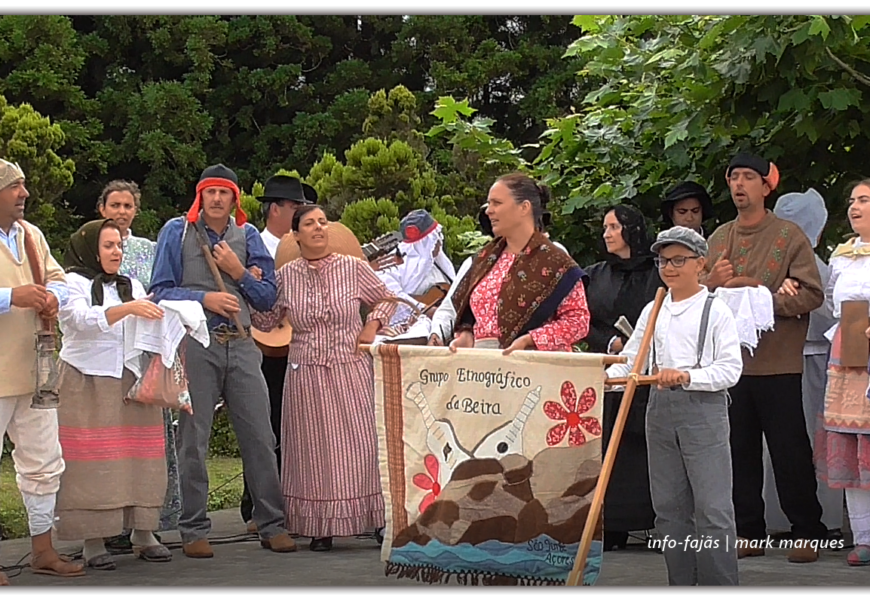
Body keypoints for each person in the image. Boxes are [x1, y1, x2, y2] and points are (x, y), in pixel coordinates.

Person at [149, 163, 296, 557]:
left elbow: (267, 296)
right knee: (193, 440)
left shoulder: (247, 235)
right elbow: (158, 291)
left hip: (244, 342)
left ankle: (272, 523)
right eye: (209, 191)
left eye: (224, 192)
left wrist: (237, 272)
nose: (216, 198)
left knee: (261, 436)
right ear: (200, 195)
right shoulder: (176, 231)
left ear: (235, 197)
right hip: (197, 343)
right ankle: (194, 529)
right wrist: (204, 298)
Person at [251, 204, 397, 551]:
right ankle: (319, 526)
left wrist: (371, 326)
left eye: (323, 223)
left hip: (350, 366)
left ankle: (376, 520)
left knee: (361, 444)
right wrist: (253, 288)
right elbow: (266, 322)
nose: (318, 228)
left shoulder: (353, 268)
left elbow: (388, 298)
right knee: (313, 450)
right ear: (296, 234)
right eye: (310, 224)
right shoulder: (286, 276)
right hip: (306, 372)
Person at [704, 151, 827, 562]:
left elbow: (811, 293)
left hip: (779, 362)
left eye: (747, 177)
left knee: (789, 449)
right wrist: (712, 281)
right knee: (737, 449)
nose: (739, 184)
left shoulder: (790, 236)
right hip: (731, 365)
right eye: (733, 177)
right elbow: (697, 295)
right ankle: (748, 531)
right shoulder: (718, 238)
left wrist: (763, 299)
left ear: (765, 185)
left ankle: (808, 531)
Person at [607, 226, 743, 585]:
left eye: (678, 260)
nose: (669, 268)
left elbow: (730, 369)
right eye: (663, 260)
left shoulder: (716, 309)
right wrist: (603, 375)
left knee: (712, 508)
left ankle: (720, 586)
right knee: (668, 509)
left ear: (701, 263)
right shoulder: (655, 308)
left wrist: (686, 376)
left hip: (703, 410)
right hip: (659, 411)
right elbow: (632, 361)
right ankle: (680, 583)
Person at [55, 219, 171, 570]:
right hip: (87, 379)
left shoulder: (131, 284)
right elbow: (78, 320)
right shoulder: (70, 282)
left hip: (129, 379)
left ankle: (143, 531)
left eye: (119, 245)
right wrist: (129, 308)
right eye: (108, 246)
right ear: (91, 248)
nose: (116, 251)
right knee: (94, 462)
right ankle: (93, 539)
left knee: (140, 457)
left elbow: (143, 321)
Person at [0, 159, 84, 583]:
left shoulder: (32, 236)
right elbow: (14, 294)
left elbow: (62, 281)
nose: (24, 194)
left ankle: (42, 550)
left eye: (24, 186)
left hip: (37, 369)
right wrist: (10, 296)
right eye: (15, 187)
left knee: (44, 461)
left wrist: (53, 297)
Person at [96, 179, 182, 546]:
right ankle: (108, 524)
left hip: (145, 351)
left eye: (127, 206)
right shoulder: (89, 244)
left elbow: (162, 289)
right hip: (104, 353)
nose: (121, 212)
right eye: (114, 205)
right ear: (102, 209)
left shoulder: (149, 249)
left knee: (147, 442)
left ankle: (147, 525)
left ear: (136, 210)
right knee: (109, 441)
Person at [764, 189, 843, 537]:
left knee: (793, 440)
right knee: (806, 439)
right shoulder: (821, 269)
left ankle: (783, 517)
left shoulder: (809, 268)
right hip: (801, 363)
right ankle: (819, 516)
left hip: (804, 361)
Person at [584, 204, 662, 550]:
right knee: (610, 449)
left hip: (650, 371)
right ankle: (612, 525)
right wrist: (610, 342)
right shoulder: (596, 274)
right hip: (609, 371)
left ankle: (652, 522)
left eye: (613, 226)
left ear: (631, 229)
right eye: (605, 227)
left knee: (643, 448)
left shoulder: (656, 272)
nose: (607, 233)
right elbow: (582, 318)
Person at [241, 174, 316, 534]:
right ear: (276, 209)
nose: (301, 214)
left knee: (298, 425)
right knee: (261, 424)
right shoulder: (252, 244)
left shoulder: (307, 247)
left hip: (297, 347)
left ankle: (292, 501)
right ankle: (256, 505)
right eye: (296, 208)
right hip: (260, 347)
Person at [449, 173, 590, 354]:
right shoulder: (486, 259)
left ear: (524, 207)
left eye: (496, 203)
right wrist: (465, 335)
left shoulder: (555, 261)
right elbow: (468, 317)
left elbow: (578, 321)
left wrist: (530, 339)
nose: (488, 210)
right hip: (482, 365)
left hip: (534, 365)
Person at [814, 179, 870, 567]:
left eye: (864, 200)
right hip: (848, 354)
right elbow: (835, 303)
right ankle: (864, 536)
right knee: (851, 446)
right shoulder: (842, 256)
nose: (855, 207)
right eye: (852, 201)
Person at [428, 202, 569, 346]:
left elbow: (573, 317)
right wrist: (437, 334)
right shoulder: (477, 263)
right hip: (485, 355)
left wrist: (530, 340)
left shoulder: (553, 254)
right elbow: (449, 309)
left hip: (535, 354)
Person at [375, 209, 456, 326]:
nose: (440, 241)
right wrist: (426, 310)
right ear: (425, 244)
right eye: (435, 238)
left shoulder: (441, 263)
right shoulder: (391, 266)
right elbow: (394, 298)